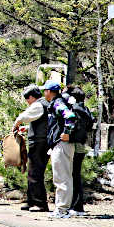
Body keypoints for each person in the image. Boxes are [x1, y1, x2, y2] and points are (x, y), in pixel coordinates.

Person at [42, 80, 77, 218]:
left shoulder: (57, 103)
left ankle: (62, 210)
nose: (44, 93)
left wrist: (67, 133)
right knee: (65, 177)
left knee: (61, 178)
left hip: (61, 145)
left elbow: (70, 116)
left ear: (49, 92)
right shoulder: (59, 102)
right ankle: (63, 208)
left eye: (45, 90)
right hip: (62, 145)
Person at [12, 85, 50, 212]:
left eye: (27, 99)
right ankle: (31, 201)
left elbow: (24, 116)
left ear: (32, 97)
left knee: (35, 173)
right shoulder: (45, 104)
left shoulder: (38, 104)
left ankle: (40, 203)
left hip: (39, 143)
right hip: (42, 141)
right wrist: (27, 128)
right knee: (32, 172)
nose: (27, 103)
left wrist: (16, 123)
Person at [64, 85, 92, 216]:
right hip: (81, 146)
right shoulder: (85, 109)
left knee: (72, 176)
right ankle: (77, 205)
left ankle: (75, 206)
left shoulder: (74, 109)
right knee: (76, 175)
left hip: (74, 146)